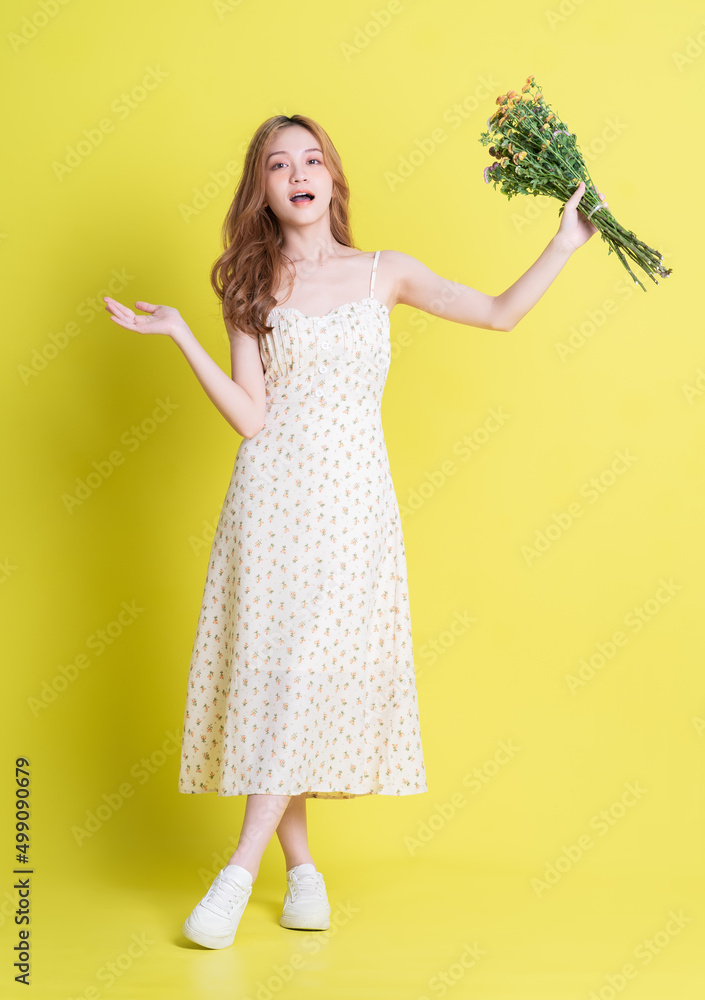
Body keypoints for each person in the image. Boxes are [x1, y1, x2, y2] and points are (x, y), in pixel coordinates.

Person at [103, 113, 606, 949]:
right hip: (268, 506)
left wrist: (564, 244)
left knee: (302, 673)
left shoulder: (385, 273)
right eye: (276, 164)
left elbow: (495, 314)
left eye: (311, 159)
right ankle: (301, 876)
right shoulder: (245, 284)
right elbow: (251, 420)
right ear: (260, 189)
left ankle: (235, 874)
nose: (297, 172)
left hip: (351, 511)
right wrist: (183, 337)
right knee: (276, 683)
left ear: (333, 177)